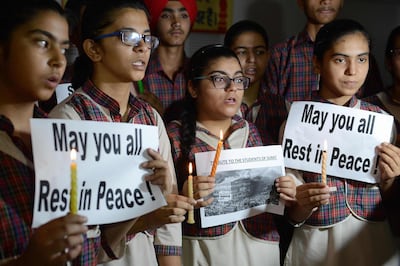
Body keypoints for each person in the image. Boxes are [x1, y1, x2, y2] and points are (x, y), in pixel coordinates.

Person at [49, 0, 195, 265]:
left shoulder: (150, 118)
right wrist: (142, 219)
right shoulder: (69, 119)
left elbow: (167, 227)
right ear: (93, 49)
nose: (142, 47)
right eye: (128, 37)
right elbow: (69, 229)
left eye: (147, 39)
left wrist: (163, 193)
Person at [283, 19, 400, 266]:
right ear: (317, 63)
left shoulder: (382, 122)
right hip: (316, 248)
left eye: (362, 59)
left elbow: (391, 201)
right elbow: (290, 214)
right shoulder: (296, 122)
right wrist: (302, 204)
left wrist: (391, 182)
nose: (353, 71)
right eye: (340, 60)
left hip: (374, 244)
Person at [167, 44, 296, 266]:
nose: (232, 88)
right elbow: (160, 208)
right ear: (193, 87)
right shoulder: (173, 137)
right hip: (204, 251)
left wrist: (288, 191)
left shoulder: (255, 134)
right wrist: (183, 194)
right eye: (219, 79)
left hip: (260, 250)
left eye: (238, 79)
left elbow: (281, 202)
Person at [0, 0, 89, 265]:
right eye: (42, 43)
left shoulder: (64, 138)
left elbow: (90, 249)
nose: (58, 60)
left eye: (64, 48)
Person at [265, 0, 383, 103]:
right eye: (340, 60)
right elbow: (268, 107)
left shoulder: (363, 55)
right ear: (301, 1)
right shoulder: (281, 54)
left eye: (361, 59)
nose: (326, 1)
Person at [224, 20, 288, 145]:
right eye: (242, 52)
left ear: (268, 56)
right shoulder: (219, 104)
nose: (252, 59)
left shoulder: (282, 106)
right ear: (227, 55)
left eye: (259, 52)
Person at [141, 0, 197, 121]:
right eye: (166, 15)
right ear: (154, 21)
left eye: (183, 16)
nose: (176, 23)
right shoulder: (140, 71)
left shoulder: (198, 71)